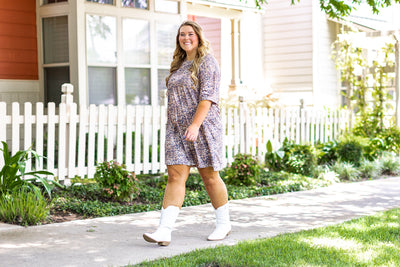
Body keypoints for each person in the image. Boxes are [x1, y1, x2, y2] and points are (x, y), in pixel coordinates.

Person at [143, 20, 231, 246]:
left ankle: (224, 223)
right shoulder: (179, 64)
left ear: (198, 37)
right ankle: (164, 230)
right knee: (175, 176)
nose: (185, 38)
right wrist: (179, 124)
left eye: (190, 34)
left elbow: (208, 98)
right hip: (176, 130)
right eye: (182, 34)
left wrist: (194, 125)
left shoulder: (207, 62)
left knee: (209, 177)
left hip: (202, 128)